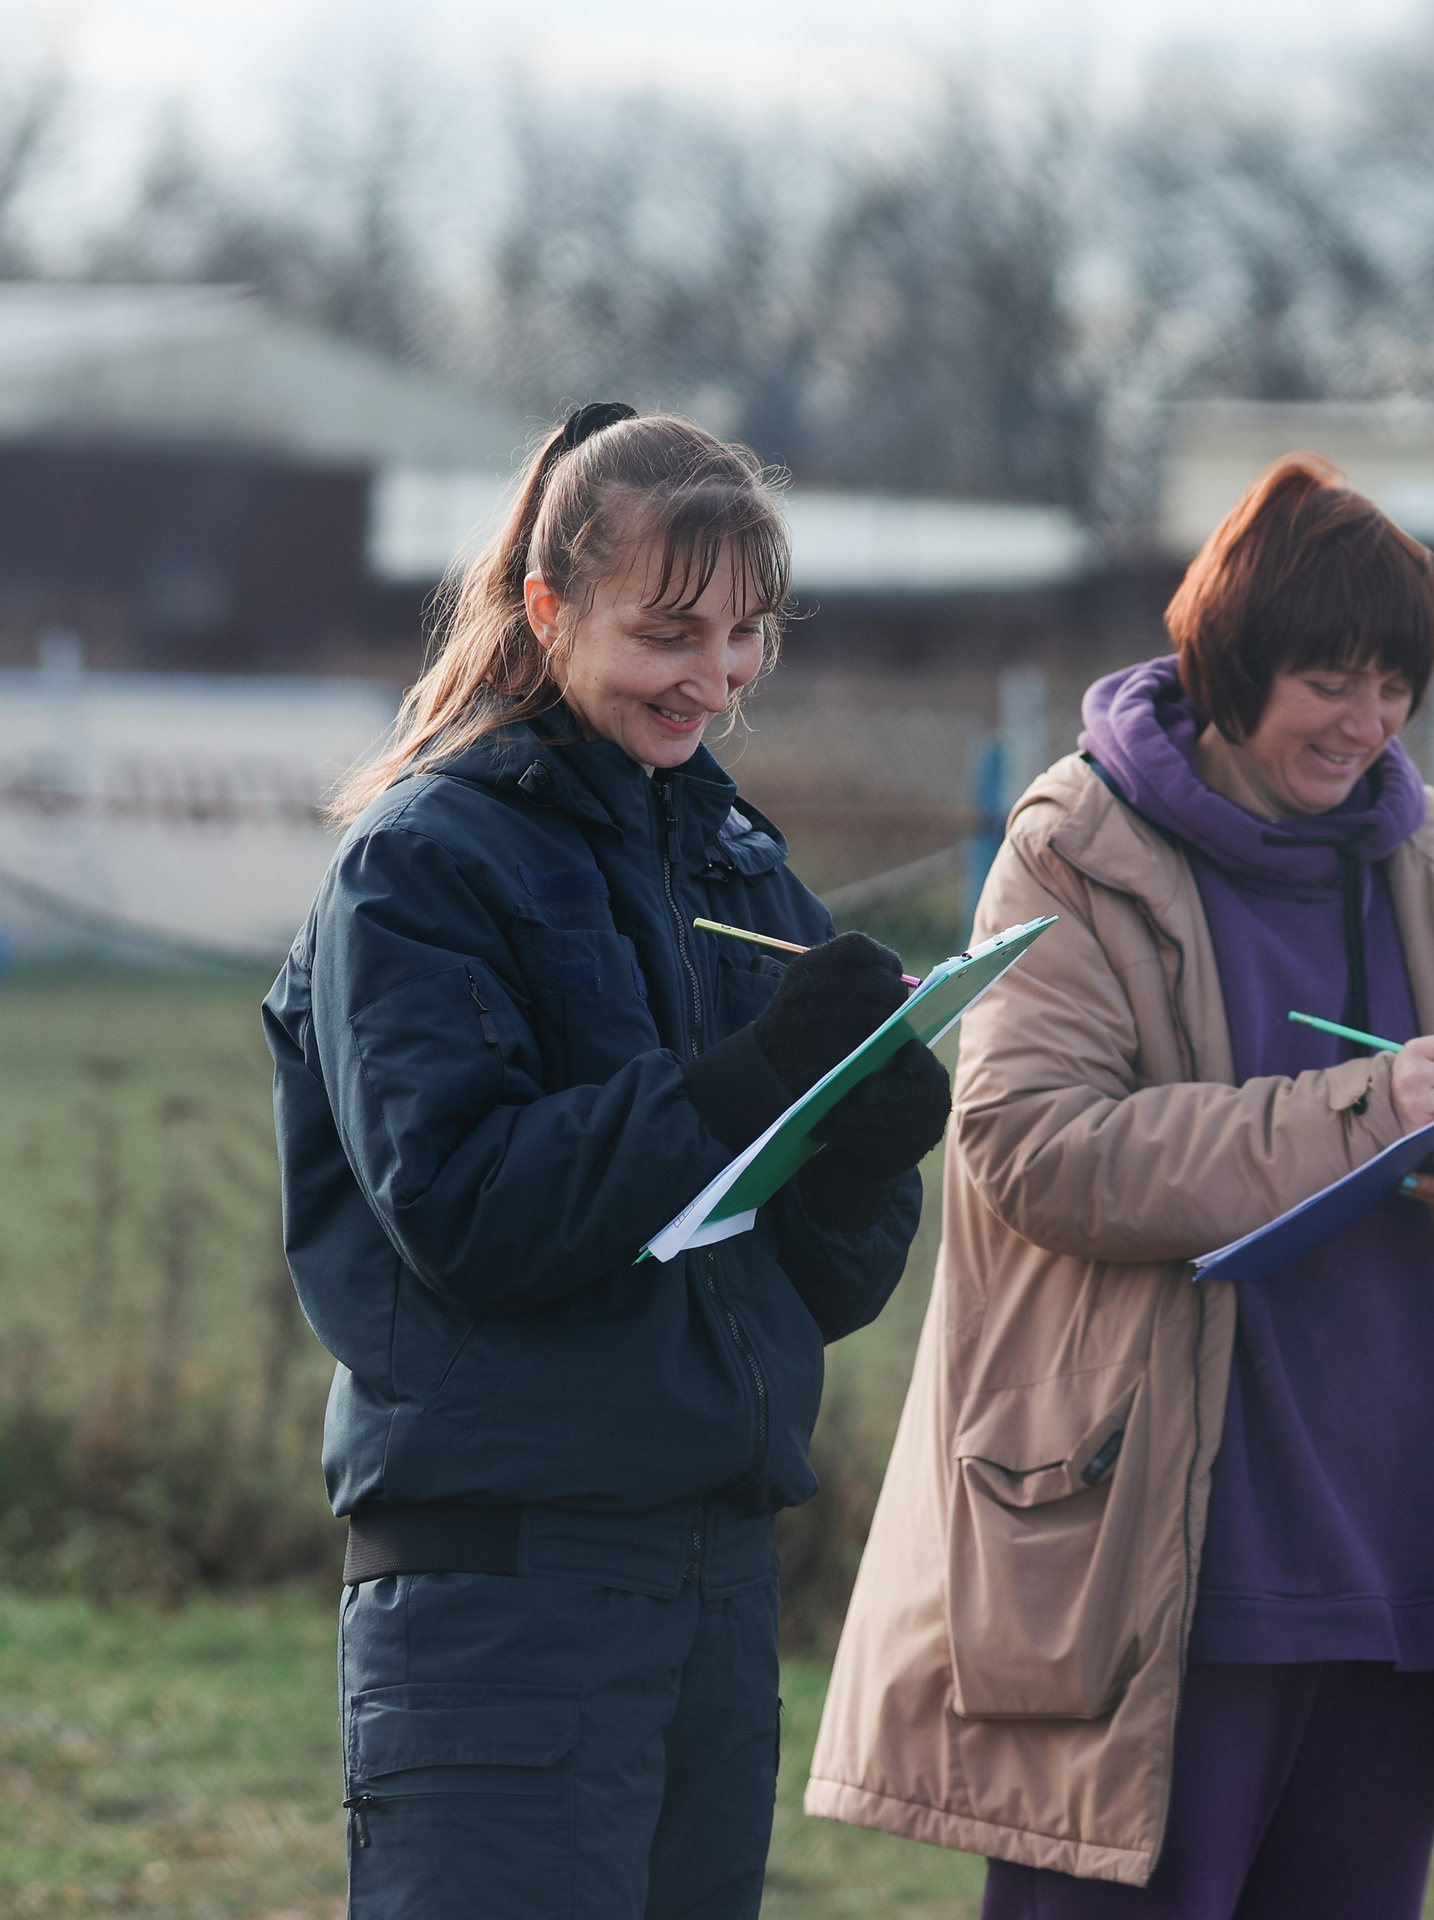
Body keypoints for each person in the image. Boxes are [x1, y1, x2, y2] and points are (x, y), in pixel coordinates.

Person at [803, 455, 1434, 1919]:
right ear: (1228, 662)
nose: (1368, 725)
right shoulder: (1073, 850)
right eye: (1331, 684)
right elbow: (1032, 1147)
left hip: (1406, 1560)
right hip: (1157, 1558)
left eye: (1394, 688)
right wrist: (1360, 1111)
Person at [262, 403, 949, 1918]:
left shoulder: (737, 863)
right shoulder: (422, 867)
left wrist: (856, 1151)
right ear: (550, 608)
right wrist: (750, 1078)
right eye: (671, 630)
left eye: (749, 634)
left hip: (711, 1577)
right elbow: (469, 1212)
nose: (714, 676)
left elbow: (799, 1286)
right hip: (505, 1591)